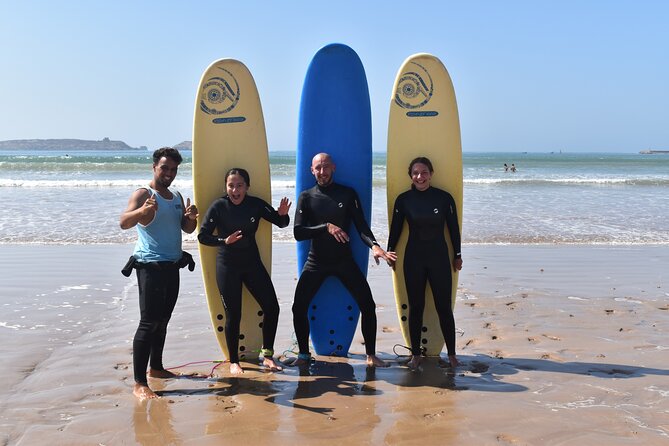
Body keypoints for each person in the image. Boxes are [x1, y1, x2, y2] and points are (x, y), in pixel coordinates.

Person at [291, 153, 392, 368]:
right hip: (315, 262)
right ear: (311, 170)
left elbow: (361, 226)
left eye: (326, 167)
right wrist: (326, 226)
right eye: (318, 167)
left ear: (333, 168)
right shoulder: (306, 197)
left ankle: (371, 355)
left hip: (343, 261)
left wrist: (374, 246)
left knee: (368, 304)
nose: (322, 171)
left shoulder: (347, 194)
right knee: (298, 307)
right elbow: (298, 232)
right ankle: (303, 354)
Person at [119, 147, 199, 401]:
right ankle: (140, 383)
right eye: (165, 168)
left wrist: (191, 219)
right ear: (154, 167)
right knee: (148, 322)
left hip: (171, 266)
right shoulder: (144, 193)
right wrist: (142, 212)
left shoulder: (175, 196)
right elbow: (124, 222)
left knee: (163, 320)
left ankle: (157, 368)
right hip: (149, 266)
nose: (169, 173)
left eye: (174, 169)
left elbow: (186, 229)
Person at [198, 168, 291, 375]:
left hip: (251, 264)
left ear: (247, 187)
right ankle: (234, 361)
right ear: (226, 187)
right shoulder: (219, 207)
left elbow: (281, 223)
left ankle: (267, 356)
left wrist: (283, 215)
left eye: (239, 185)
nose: (235, 190)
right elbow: (202, 236)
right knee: (234, 314)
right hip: (227, 266)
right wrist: (224, 241)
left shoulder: (255, 205)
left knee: (272, 307)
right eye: (231, 185)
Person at [386, 156, 463, 370]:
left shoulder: (444, 198)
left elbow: (453, 229)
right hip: (413, 259)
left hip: (439, 258)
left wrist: (458, 255)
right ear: (410, 175)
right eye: (416, 173)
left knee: (444, 308)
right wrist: (389, 251)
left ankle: (453, 355)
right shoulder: (403, 200)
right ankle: (416, 355)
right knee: (416, 307)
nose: (420, 177)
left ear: (431, 173)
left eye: (424, 172)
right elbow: (396, 229)